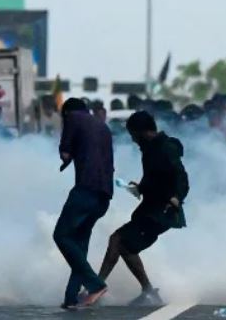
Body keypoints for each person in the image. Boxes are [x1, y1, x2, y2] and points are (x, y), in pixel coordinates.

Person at [97, 111, 189, 306]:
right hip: (151, 210)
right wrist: (141, 187)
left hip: (161, 212)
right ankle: (147, 292)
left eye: (134, 135)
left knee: (117, 240)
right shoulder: (151, 149)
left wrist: (177, 197)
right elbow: (157, 179)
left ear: (143, 132)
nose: (133, 140)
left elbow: (181, 177)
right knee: (125, 246)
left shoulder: (165, 148)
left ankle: (96, 286)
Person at [53, 98, 114, 309]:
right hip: (104, 195)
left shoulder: (73, 118)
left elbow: (65, 153)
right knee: (79, 243)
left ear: (66, 112)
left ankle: (95, 285)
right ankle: (71, 297)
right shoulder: (103, 127)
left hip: (86, 189)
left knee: (61, 236)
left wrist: (67, 157)